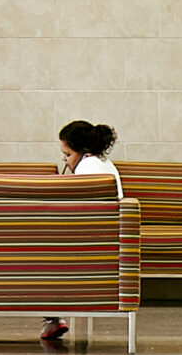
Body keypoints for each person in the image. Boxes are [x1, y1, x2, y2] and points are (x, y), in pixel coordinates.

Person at [41, 120, 122, 342]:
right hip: (106, 241)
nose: (63, 160)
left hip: (88, 245)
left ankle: (53, 319)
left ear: (82, 151)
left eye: (67, 155)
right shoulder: (106, 165)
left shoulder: (87, 170)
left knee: (41, 258)